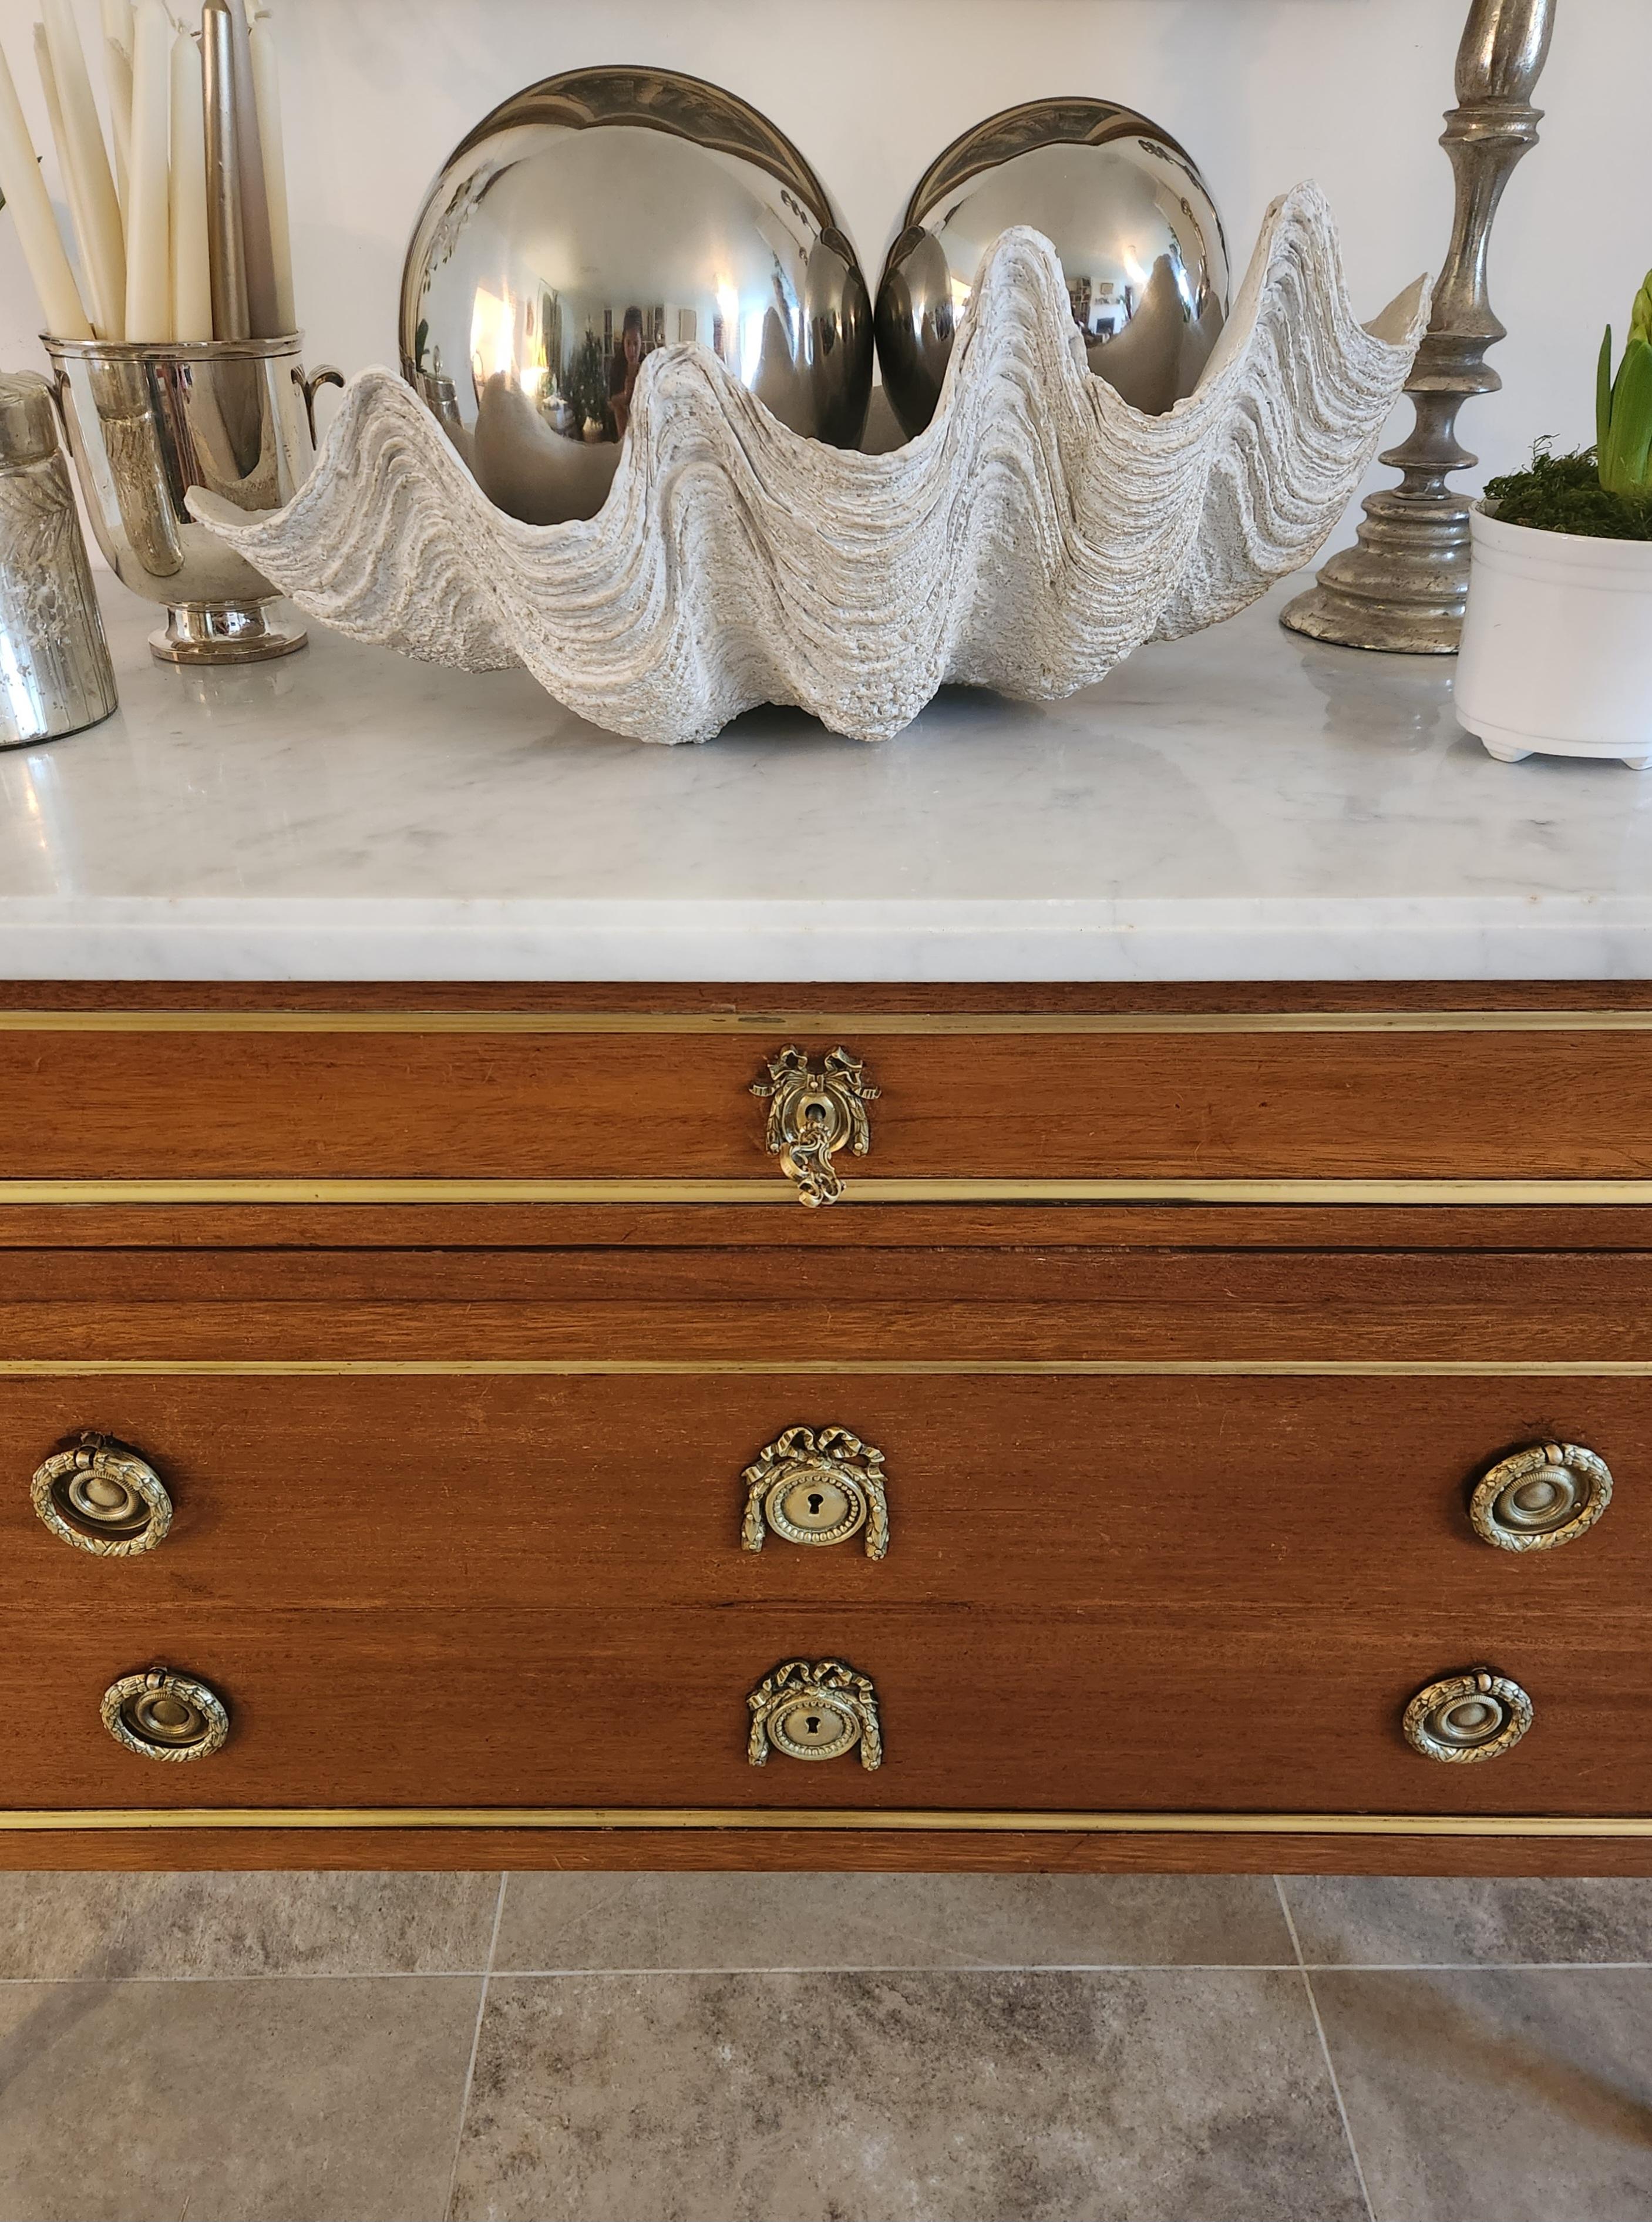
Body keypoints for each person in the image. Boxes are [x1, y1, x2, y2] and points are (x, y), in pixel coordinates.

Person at [609, 307, 649, 439]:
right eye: (628, 343)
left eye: (636, 344)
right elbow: (612, 400)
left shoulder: (647, 363)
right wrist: (627, 393)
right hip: (623, 425)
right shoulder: (617, 365)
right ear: (623, 342)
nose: (632, 350)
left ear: (642, 342)